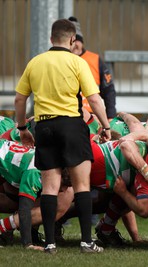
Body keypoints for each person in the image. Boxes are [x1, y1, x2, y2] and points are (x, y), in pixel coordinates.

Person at [14, 19, 111, 254]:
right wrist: (106, 126)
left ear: (50, 39)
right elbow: (95, 99)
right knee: (81, 185)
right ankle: (87, 242)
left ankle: (49, 243)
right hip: (71, 126)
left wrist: (22, 128)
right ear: (72, 40)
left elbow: (19, 99)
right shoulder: (77, 62)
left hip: (44, 127)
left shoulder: (35, 62)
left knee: (49, 187)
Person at [68, 16, 117, 120]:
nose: (75, 44)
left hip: (93, 114)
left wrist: (110, 116)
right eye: (72, 41)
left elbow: (108, 90)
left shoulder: (95, 59)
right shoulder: (61, 59)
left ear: (82, 42)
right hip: (69, 114)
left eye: (78, 40)